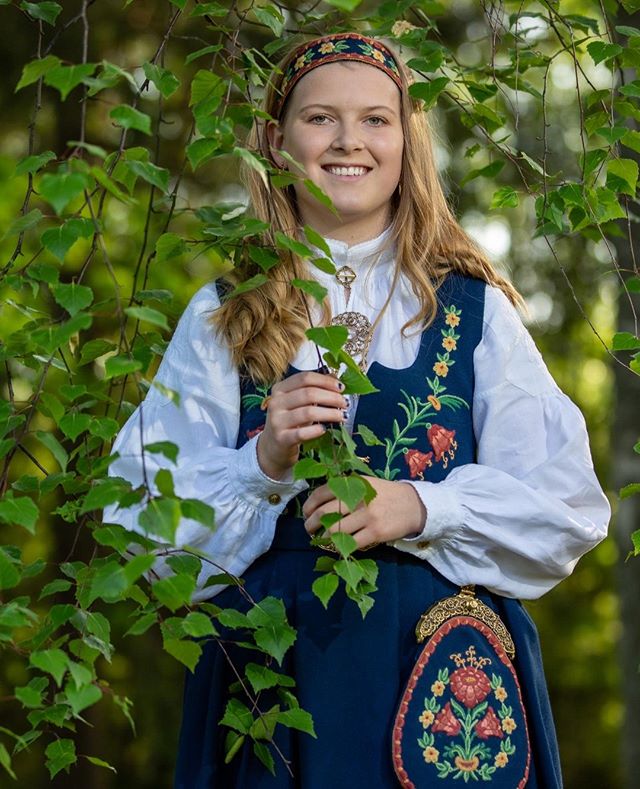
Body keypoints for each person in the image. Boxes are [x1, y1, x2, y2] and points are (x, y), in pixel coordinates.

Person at [104, 32, 610, 788]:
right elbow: (144, 531)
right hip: (277, 682)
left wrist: (418, 505)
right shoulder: (225, 315)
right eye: (320, 120)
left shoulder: (473, 310)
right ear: (276, 142)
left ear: (407, 141)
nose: (349, 141)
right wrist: (261, 463)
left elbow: (567, 505)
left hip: (444, 680)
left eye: (376, 119)